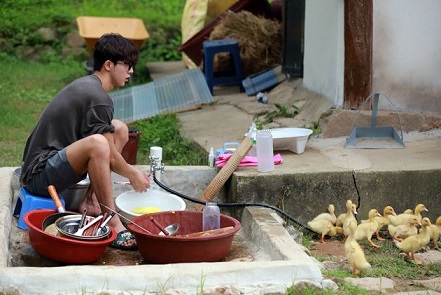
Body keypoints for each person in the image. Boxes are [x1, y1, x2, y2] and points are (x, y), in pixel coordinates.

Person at [20, 33, 150, 250]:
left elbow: (110, 144)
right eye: (127, 65)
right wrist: (133, 173)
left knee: (119, 129)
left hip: (50, 165)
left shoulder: (91, 87)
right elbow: (107, 153)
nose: (131, 71)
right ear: (108, 65)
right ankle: (113, 221)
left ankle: (91, 201)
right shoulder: (98, 97)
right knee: (99, 144)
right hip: (39, 176)